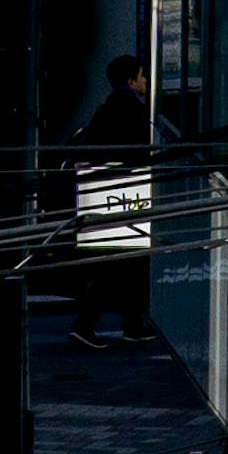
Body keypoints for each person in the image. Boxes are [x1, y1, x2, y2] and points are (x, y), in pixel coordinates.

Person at [70, 54, 152, 348]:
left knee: (112, 259)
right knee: (125, 260)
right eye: (142, 75)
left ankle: (125, 323)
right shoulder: (134, 108)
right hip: (127, 189)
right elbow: (141, 150)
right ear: (131, 80)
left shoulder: (106, 108)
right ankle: (95, 324)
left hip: (102, 188)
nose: (145, 81)